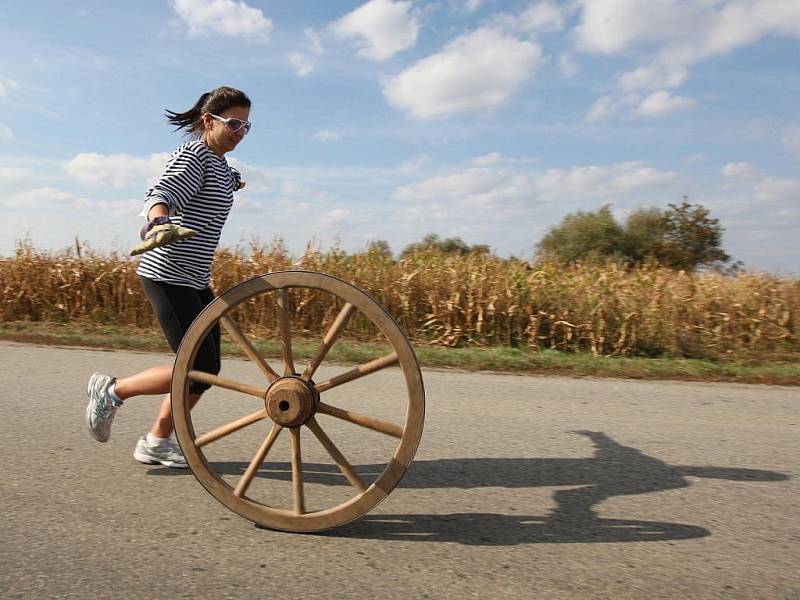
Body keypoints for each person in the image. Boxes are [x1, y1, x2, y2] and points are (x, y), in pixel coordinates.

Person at [85, 86, 251, 468]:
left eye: (246, 126)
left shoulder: (220, 165)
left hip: (195, 278)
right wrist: (159, 218)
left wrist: (233, 181)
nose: (240, 131)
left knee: (206, 372)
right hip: (167, 273)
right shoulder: (195, 155)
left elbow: (216, 185)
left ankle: (157, 440)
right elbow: (162, 191)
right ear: (208, 121)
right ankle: (113, 391)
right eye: (233, 123)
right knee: (195, 367)